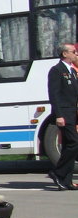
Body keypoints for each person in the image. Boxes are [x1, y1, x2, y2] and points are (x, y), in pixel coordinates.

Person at [46, 42, 78, 190]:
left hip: (72, 112)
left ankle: (67, 180)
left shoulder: (72, 71)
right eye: (73, 52)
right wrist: (59, 115)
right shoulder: (56, 70)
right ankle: (58, 173)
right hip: (64, 113)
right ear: (65, 54)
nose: (76, 54)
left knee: (67, 146)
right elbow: (54, 94)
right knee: (73, 143)